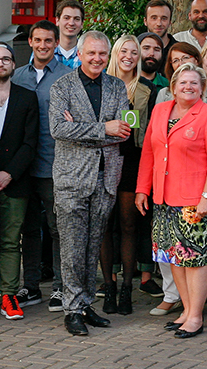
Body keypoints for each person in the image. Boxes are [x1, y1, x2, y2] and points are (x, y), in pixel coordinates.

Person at [48, 31, 133, 336]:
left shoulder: (117, 86)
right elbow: (58, 129)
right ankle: (71, 309)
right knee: (72, 247)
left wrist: (82, 129)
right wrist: (103, 128)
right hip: (71, 178)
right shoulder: (62, 87)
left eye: (102, 54)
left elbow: (123, 131)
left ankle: (84, 304)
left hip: (106, 176)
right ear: (80, 54)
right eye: (91, 53)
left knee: (93, 245)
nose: (97, 59)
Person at [136, 62, 207, 339]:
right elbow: (149, 153)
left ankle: (196, 317)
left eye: (194, 83)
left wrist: (206, 197)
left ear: (202, 88)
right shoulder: (161, 110)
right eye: (183, 82)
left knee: (194, 259)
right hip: (163, 198)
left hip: (194, 202)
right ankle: (186, 311)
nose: (188, 87)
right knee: (173, 258)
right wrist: (142, 189)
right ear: (173, 87)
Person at [0, 43, 41, 320]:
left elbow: (31, 142)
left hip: (17, 182)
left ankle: (9, 295)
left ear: (14, 65)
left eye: (5, 59)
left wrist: (9, 173)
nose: (0, 63)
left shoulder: (27, 97)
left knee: (12, 241)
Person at [12, 20, 71, 310]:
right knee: (29, 229)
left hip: (53, 163)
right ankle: (31, 286)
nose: (43, 45)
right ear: (31, 42)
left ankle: (60, 287)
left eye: (49, 40)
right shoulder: (17, 76)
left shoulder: (67, 77)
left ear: (56, 43)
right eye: (38, 40)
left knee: (58, 228)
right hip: (24, 166)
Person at [98, 35, 157, 316]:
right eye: (124, 51)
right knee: (105, 226)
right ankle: (108, 286)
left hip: (134, 160)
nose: (129, 56)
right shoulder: (101, 84)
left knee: (129, 225)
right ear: (115, 53)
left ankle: (126, 289)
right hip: (104, 159)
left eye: (134, 52)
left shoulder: (147, 89)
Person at [55, 0, 86, 68]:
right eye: (66, 18)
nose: (71, 23)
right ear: (57, 21)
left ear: (82, 24)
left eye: (76, 19)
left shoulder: (88, 53)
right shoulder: (46, 50)